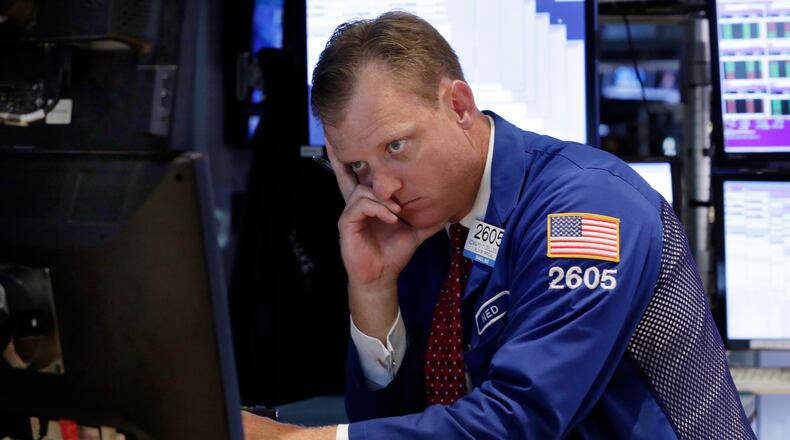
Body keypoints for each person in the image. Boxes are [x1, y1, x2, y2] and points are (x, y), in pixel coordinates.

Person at [243, 11, 755, 440]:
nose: (383, 188)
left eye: (396, 146)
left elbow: (521, 420)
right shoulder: (421, 226)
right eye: (358, 166)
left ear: (459, 106)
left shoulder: (587, 206)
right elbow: (393, 425)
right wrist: (374, 290)